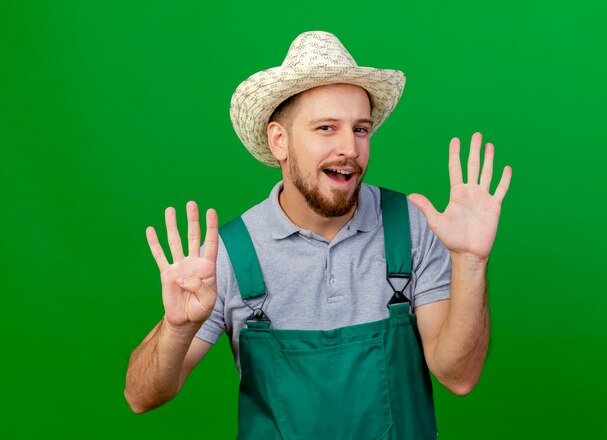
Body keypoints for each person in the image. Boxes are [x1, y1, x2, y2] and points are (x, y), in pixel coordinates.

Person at [124, 31, 512, 439]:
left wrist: (470, 262)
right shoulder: (230, 252)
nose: (350, 148)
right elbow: (141, 397)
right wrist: (178, 326)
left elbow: (459, 377)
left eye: (360, 129)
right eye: (327, 128)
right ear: (280, 141)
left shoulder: (410, 226)